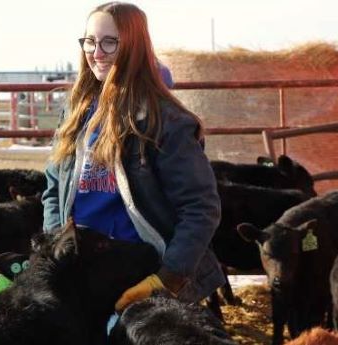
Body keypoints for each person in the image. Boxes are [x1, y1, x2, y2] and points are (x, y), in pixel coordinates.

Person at [41, 1, 223, 309]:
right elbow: (52, 190)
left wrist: (167, 278)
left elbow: (200, 207)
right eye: (90, 41)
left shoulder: (164, 120)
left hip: (138, 268)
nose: (97, 52)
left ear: (134, 46)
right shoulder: (76, 111)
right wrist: (57, 246)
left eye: (110, 42)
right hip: (83, 270)